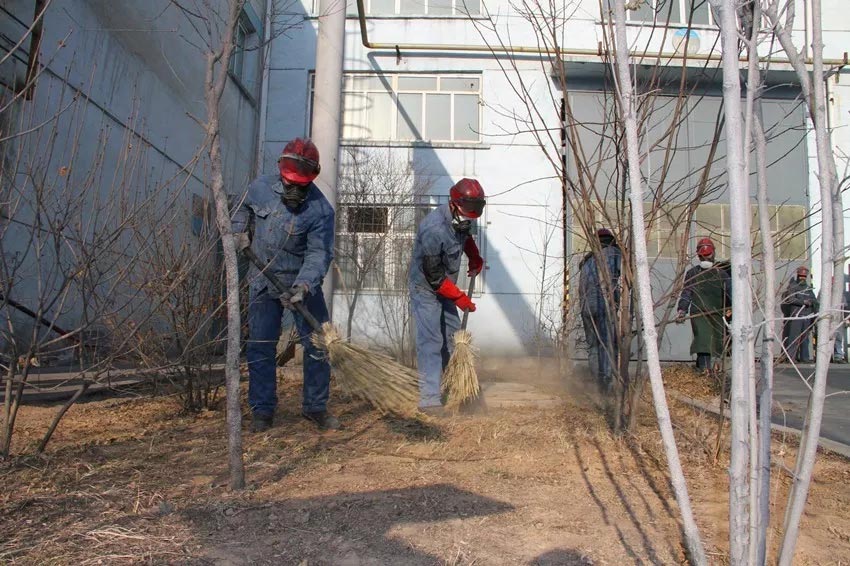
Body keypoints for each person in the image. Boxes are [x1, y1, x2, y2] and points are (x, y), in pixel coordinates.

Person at [231, 138, 338, 433]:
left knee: (319, 345)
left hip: (302, 283)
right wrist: (238, 231)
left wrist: (303, 286)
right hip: (262, 279)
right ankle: (262, 410)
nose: (293, 191)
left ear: (311, 179)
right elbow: (240, 211)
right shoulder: (259, 188)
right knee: (261, 346)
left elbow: (319, 253)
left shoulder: (321, 211)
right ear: (280, 171)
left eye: (300, 185)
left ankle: (315, 407)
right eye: (289, 183)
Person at [409, 178, 485, 414]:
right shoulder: (433, 228)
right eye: (468, 211)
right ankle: (429, 400)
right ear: (454, 204)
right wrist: (459, 298)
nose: (471, 216)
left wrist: (474, 256)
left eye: (475, 211)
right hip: (426, 288)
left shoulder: (464, 217)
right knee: (431, 342)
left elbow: (466, 238)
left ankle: (463, 390)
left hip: (445, 287)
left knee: (454, 340)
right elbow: (433, 277)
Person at [677, 237, 731, 373]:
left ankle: (715, 372)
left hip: (717, 313)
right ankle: (704, 370)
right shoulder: (693, 273)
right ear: (699, 256)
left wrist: (731, 309)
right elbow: (687, 293)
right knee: (703, 340)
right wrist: (682, 309)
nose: (706, 258)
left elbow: (731, 293)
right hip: (699, 313)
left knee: (717, 341)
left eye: (708, 255)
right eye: (703, 256)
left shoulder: (722, 273)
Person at [579, 228, 622, 394]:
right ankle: (607, 383)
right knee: (608, 344)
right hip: (603, 305)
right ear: (611, 240)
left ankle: (598, 382)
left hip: (586, 308)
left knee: (594, 346)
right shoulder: (613, 254)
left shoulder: (588, 259)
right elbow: (623, 278)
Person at [781, 266, 818, 364]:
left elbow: (814, 300)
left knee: (805, 339)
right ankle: (791, 357)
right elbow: (790, 299)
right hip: (796, 316)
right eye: (801, 275)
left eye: (804, 276)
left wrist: (812, 302)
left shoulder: (808, 288)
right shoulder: (792, 287)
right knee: (794, 337)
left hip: (806, 317)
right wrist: (803, 302)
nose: (802, 278)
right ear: (798, 275)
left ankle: (804, 357)